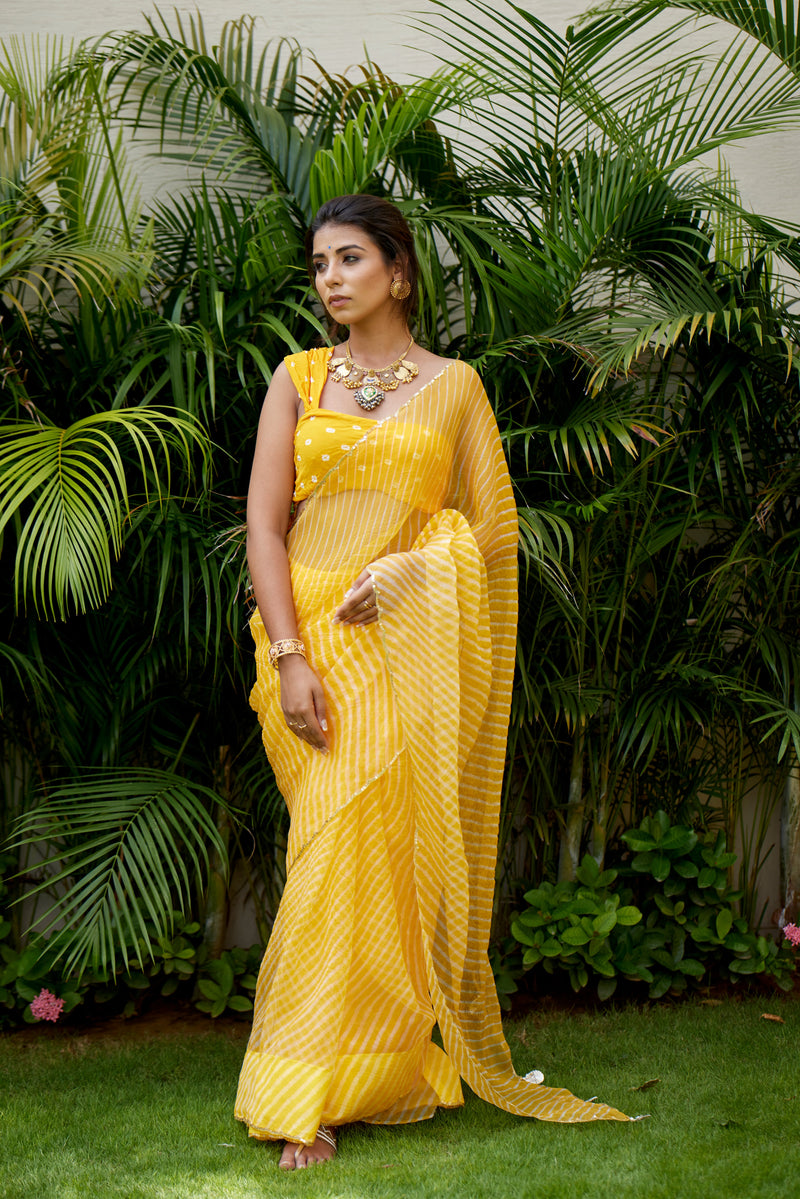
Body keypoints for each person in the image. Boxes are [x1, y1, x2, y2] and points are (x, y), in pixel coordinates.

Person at [235, 194, 633, 1170]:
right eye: (319, 264)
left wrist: (411, 574)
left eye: (349, 258)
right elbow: (264, 527)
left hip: (400, 644)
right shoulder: (297, 378)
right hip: (306, 638)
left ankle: (322, 1089)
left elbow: (490, 537)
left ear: (400, 273)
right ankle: (329, 1073)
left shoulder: (456, 388)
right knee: (330, 843)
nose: (330, 278)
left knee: (361, 856)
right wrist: (289, 654)